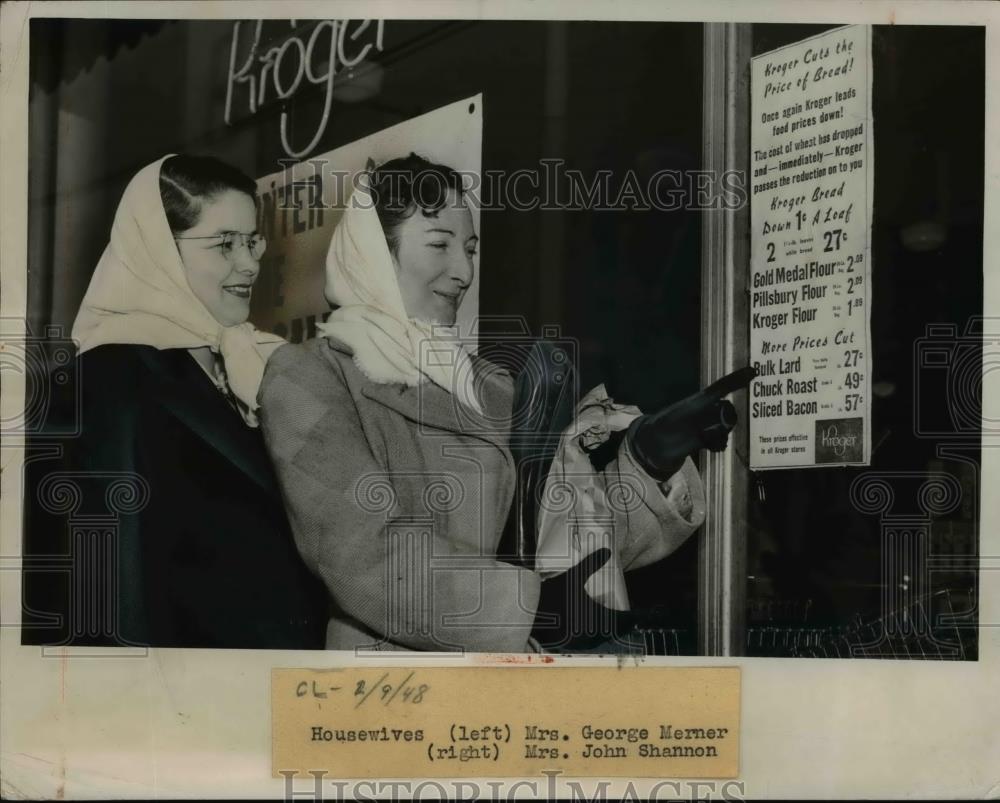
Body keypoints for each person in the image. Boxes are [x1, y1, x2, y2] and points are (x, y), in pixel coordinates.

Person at [259, 153, 748, 653]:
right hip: (395, 692)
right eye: (439, 245)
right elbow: (360, 557)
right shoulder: (310, 377)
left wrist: (650, 460)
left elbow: (570, 540)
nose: (463, 271)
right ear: (373, 254)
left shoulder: (493, 386)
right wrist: (528, 607)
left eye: (470, 249)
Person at [23, 154, 328, 649]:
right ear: (158, 251)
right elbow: (112, 591)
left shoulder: (244, 363)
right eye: (224, 244)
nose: (250, 263)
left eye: (252, 242)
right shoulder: (106, 383)